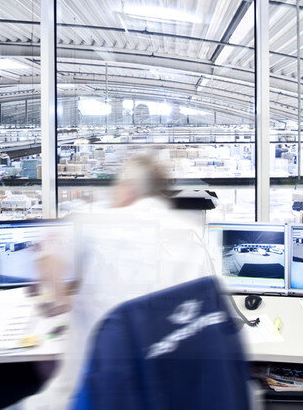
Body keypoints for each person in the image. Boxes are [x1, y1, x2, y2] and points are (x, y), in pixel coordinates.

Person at [23, 152, 215, 410]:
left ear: (128, 189)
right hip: (167, 398)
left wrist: (57, 297)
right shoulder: (193, 237)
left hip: (88, 398)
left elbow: (49, 267)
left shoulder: (92, 223)